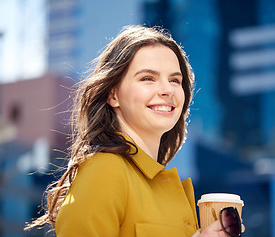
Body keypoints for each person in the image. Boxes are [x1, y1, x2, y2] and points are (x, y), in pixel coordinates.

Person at [25, 25, 244, 236]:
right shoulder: (104, 170)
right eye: (147, 78)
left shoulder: (156, 185)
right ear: (113, 95)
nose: (167, 90)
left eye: (175, 80)